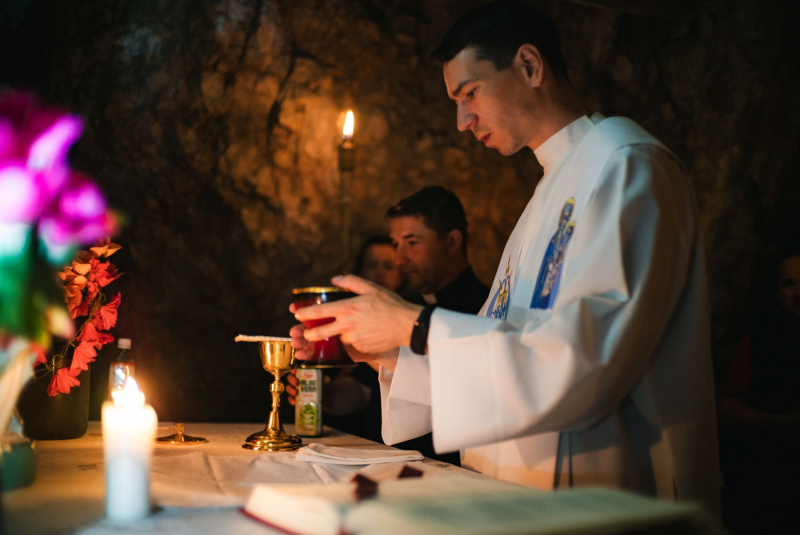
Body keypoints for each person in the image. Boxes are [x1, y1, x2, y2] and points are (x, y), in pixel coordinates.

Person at [290, 0, 720, 513]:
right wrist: (390, 354)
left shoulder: (627, 166)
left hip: (608, 498)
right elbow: (510, 344)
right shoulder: (549, 191)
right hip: (525, 496)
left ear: (529, 66)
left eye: (469, 93)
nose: (461, 121)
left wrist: (415, 326)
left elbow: (585, 361)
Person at [717, 252, 800, 533]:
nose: (798, 293)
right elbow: (728, 407)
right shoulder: (759, 339)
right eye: (790, 284)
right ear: (777, 290)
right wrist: (780, 424)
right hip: (771, 472)